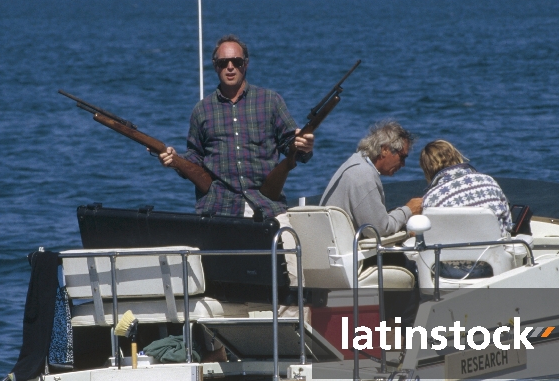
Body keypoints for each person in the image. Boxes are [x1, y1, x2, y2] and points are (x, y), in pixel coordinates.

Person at [159, 34, 314, 218]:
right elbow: (196, 157)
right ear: (215, 66)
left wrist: (303, 146)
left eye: (236, 61)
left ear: (245, 64)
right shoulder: (202, 110)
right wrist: (176, 160)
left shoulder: (270, 101)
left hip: (267, 207)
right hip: (219, 211)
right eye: (223, 62)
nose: (230, 67)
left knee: (288, 246)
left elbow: (292, 145)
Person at [320, 120, 424, 236]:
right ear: (385, 150)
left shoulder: (355, 163)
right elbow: (379, 230)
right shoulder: (363, 176)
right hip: (348, 251)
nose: (403, 164)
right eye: (402, 157)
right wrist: (408, 211)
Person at [419, 140, 512, 237]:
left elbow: (429, 236)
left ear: (427, 170)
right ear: (456, 156)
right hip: (494, 249)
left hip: (452, 252)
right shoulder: (489, 182)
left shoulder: (430, 199)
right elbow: (508, 224)